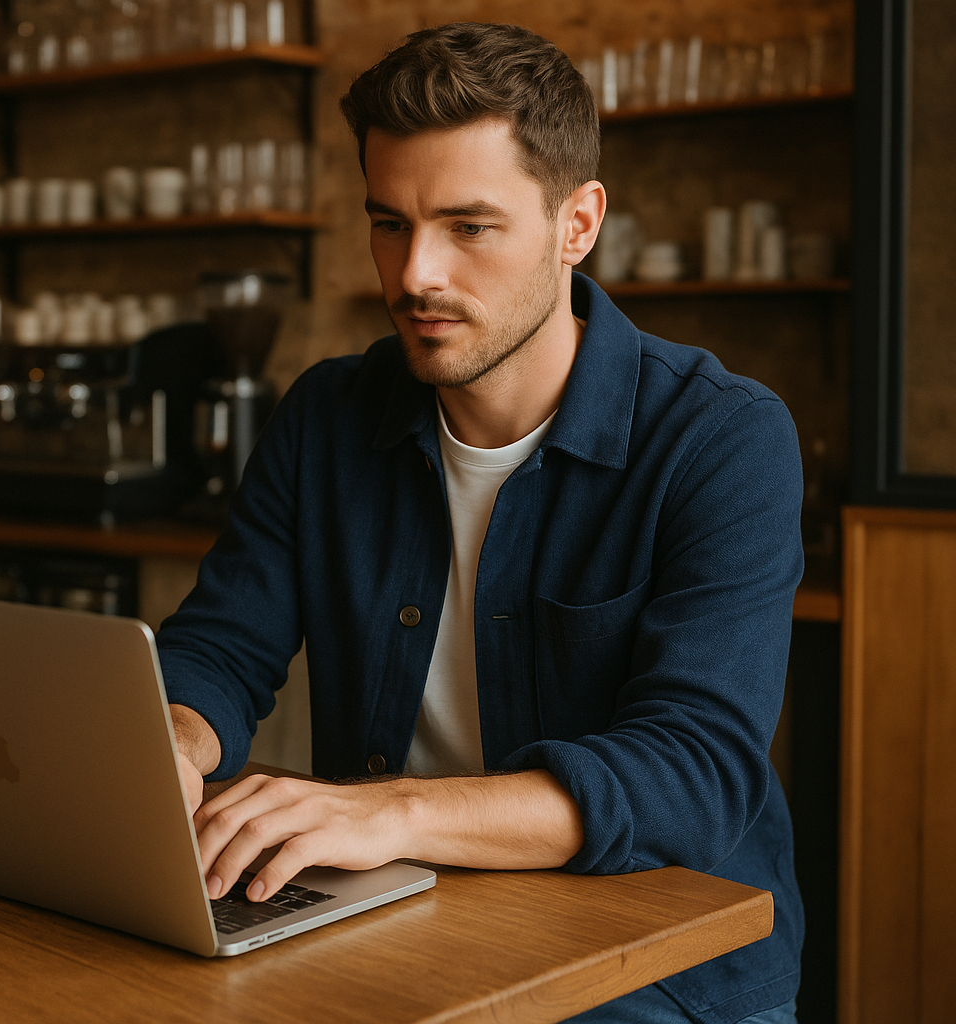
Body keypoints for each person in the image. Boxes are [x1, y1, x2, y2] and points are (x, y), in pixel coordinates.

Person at [156, 21, 803, 1024]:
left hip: (654, 966)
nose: (416, 273)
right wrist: (170, 741)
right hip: (396, 920)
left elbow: (692, 772)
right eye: (390, 223)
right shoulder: (327, 415)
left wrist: (389, 813)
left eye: (468, 227)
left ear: (576, 223)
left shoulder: (722, 436)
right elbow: (221, 649)